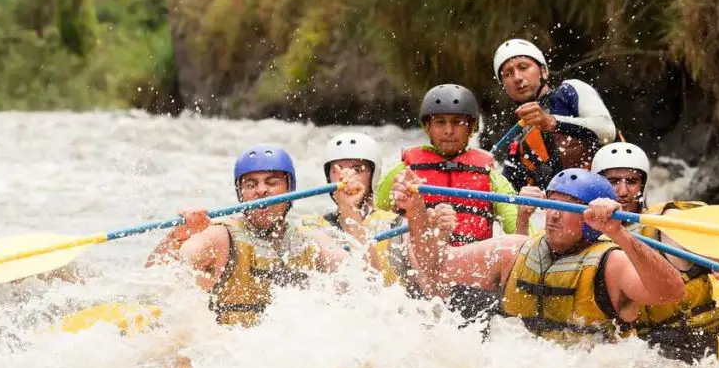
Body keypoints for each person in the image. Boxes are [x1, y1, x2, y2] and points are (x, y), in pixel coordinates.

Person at [146, 144, 447, 326]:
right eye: (251, 184)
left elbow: (370, 283)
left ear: (290, 190)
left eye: (272, 182)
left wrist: (349, 211)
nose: (261, 190)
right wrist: (177, 236)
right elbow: (156, 279)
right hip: (228, 350)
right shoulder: (219, 237)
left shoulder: (310, 239)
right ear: (240, 194)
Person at [398, 168, 685, 346]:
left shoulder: (611, 263)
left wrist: (619, 233)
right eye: (551, 203)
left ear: (589, 219)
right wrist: (416, 212)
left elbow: (671, 292)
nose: (555, 214)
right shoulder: (513, 251)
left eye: (569, 206)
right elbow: (436, 268)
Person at [591, 142, 719, 362]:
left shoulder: (668, 224)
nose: (623, 191)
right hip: (629, 347)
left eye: (632, 181)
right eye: (614, 182)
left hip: (685, 340)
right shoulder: (588, 233)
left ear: (643, 186)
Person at [301, 131, 457, 291]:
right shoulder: (313, 227)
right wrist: (348, 211)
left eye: (357, 169)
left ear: (373, 176)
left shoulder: (398, 226)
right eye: (337, 169)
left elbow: (433, 288)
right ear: (329, 177)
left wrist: (439, 239)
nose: (346, 176)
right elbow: (357, 285)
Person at [376, 84, 527, 245]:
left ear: (470, 128)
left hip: (471, 260)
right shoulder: (404, 171)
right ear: (428, 127)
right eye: (440, 122)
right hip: (418, 259)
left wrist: (525, 216)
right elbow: (375, 216)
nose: (448, 130)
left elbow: (518, 233)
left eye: (457, 122)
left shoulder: (490, 176)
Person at [491, 38, 617, 198]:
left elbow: (607, 131)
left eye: (523, 67)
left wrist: (551, 122)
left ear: (543, 71)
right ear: (505, 88)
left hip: (609, 202)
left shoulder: (570, 91)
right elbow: (505, 195)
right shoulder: (518, 140)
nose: (517, 77)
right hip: (563, 214)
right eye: (508, 74)